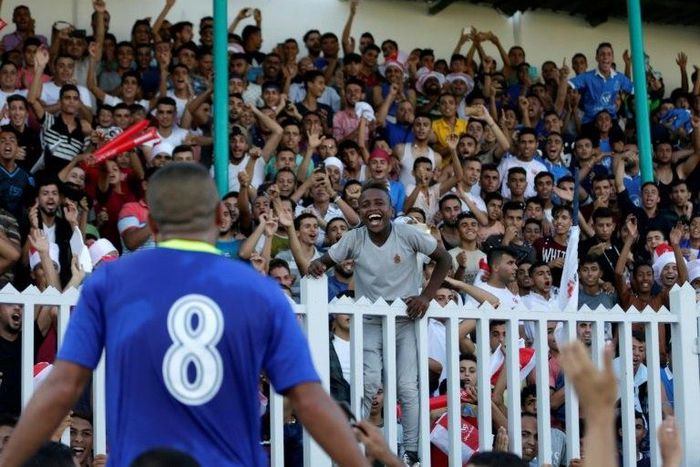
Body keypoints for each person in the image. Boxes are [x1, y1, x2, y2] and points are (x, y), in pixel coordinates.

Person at [0, 163, 368, 467]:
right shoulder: (260, 291)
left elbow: (63, 387)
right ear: (219, 215)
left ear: (154, 224)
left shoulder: (111, 282)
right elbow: (309, 399)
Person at [308, 180, 452, 466]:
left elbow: (445, 259)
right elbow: (324, 262)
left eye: (379, 204)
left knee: (407, 386)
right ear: (359, 211)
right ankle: (356, 445)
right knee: (368, 382)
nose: (372, 209)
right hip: (371, 320)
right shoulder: (354, 238)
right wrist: (315, 266)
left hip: (405, 319)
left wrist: (425, 296)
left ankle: (411, 450)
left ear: (391, 208)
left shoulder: (408, 234)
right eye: (365, 205)